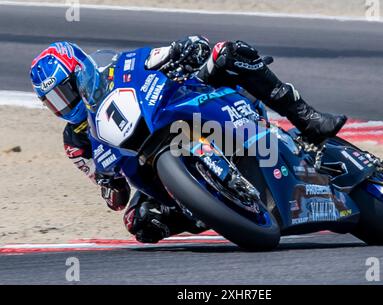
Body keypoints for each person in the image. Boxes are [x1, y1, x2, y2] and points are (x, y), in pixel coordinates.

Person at [30, 37, 346, 244]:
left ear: (81, 71)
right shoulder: (75, 142)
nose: (65, 105)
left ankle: (307, 118)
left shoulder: (117, 67)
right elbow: (114, 194)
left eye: (66, 91)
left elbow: (164, 54)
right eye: (54, 101)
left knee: (227, 52)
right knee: (139, 223)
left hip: (182, 107)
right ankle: (215, 209)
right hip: (146, 164)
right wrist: (107, 186)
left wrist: (186, 48)